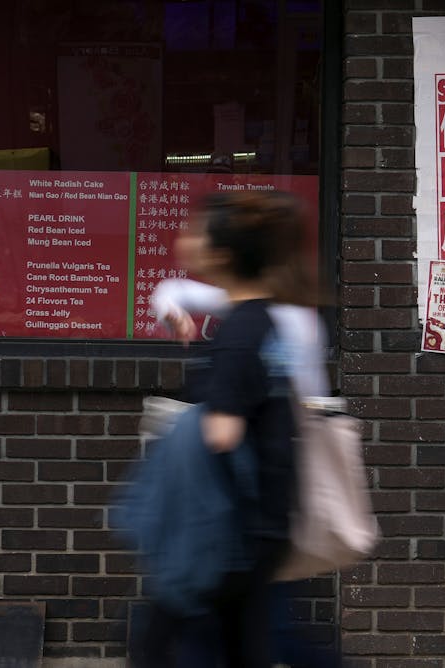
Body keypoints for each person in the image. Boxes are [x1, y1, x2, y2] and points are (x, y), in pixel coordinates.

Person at [144, 192, 341, 668]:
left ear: (230, 254)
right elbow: (173, 290)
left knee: (233, 637)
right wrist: (173, 310)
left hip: (239, 511)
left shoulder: (258, 323)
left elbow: (231, 430)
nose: (186, 241)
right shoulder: (270, 313)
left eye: (198, 234)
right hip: (259, 507)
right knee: (248, 636)